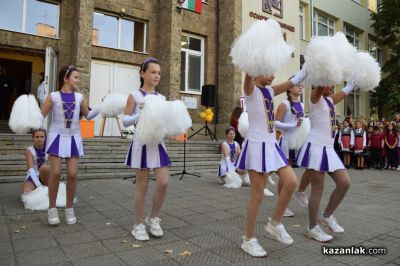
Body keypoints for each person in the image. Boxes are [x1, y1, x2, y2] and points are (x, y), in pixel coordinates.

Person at [236, 70, 306, 257]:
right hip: (256, 145)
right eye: (267, 72)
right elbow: (249, 76)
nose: (273, 76)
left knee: (291, 182)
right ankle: (249, 240)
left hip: (271, 144)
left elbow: (292, 81)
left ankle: (275, 223)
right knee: (257, 195)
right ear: (257, 73)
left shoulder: (270, 91)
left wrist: (308, 68)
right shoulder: (250, 90)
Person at [296, 81, 355, 243]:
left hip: (328, 148)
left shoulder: (330, 100)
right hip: (316, 146)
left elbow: (346, 90)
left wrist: (356, 79)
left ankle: (327, 215)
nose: (333, 86)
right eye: (330, 84)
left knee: (344, 182)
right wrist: (324, 72)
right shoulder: (315, 98)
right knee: (318, 188)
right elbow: (320, 86)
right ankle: (312, 228)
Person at [41, 65, 99, 225]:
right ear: (65, 79)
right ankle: (52, 209)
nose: (78, 80)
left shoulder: (79, 97)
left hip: (73, 137)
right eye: (75, 77)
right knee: (55, 173)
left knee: (72, 174)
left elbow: (88, 115)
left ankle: (69, 208)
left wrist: (104, 106)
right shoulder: (52, 96)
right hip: (56, 136)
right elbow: (41, 115)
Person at [123, 57, 170, 241]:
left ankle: (154, 217)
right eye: (153, 72)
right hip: (141, 144)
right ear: (143, 73)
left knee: (164, 182)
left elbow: (164, 121)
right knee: (142, 185)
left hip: (158, 144)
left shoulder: (162, 98)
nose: (156, 75)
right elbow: (125, 120)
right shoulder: (134, 96)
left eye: (159, 73)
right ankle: (138, 224)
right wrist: (138, 114)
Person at [274, 82, 309, 217]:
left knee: (298, 170)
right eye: (297, 85)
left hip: (297, 142)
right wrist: (294, 125)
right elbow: (275, 124)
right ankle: (282, 206)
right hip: (286, 142)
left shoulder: (300, 104)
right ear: (289, 88)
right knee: (285, 174)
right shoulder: (284, 104)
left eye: (301, 85)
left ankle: (295, 195)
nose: (301, 87)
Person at [21, 128, 49, 193]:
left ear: (45, 138)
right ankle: (37, 187)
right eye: (37, 137)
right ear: (33, 138)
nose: (39, 139)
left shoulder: (49, 149)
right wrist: (38, 185)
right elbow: (31, 169)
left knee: (44, 168)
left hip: (46, 174)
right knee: (26, 192)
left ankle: (48, 188)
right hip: (34, 174)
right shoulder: (29, 150)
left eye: (42, 137)